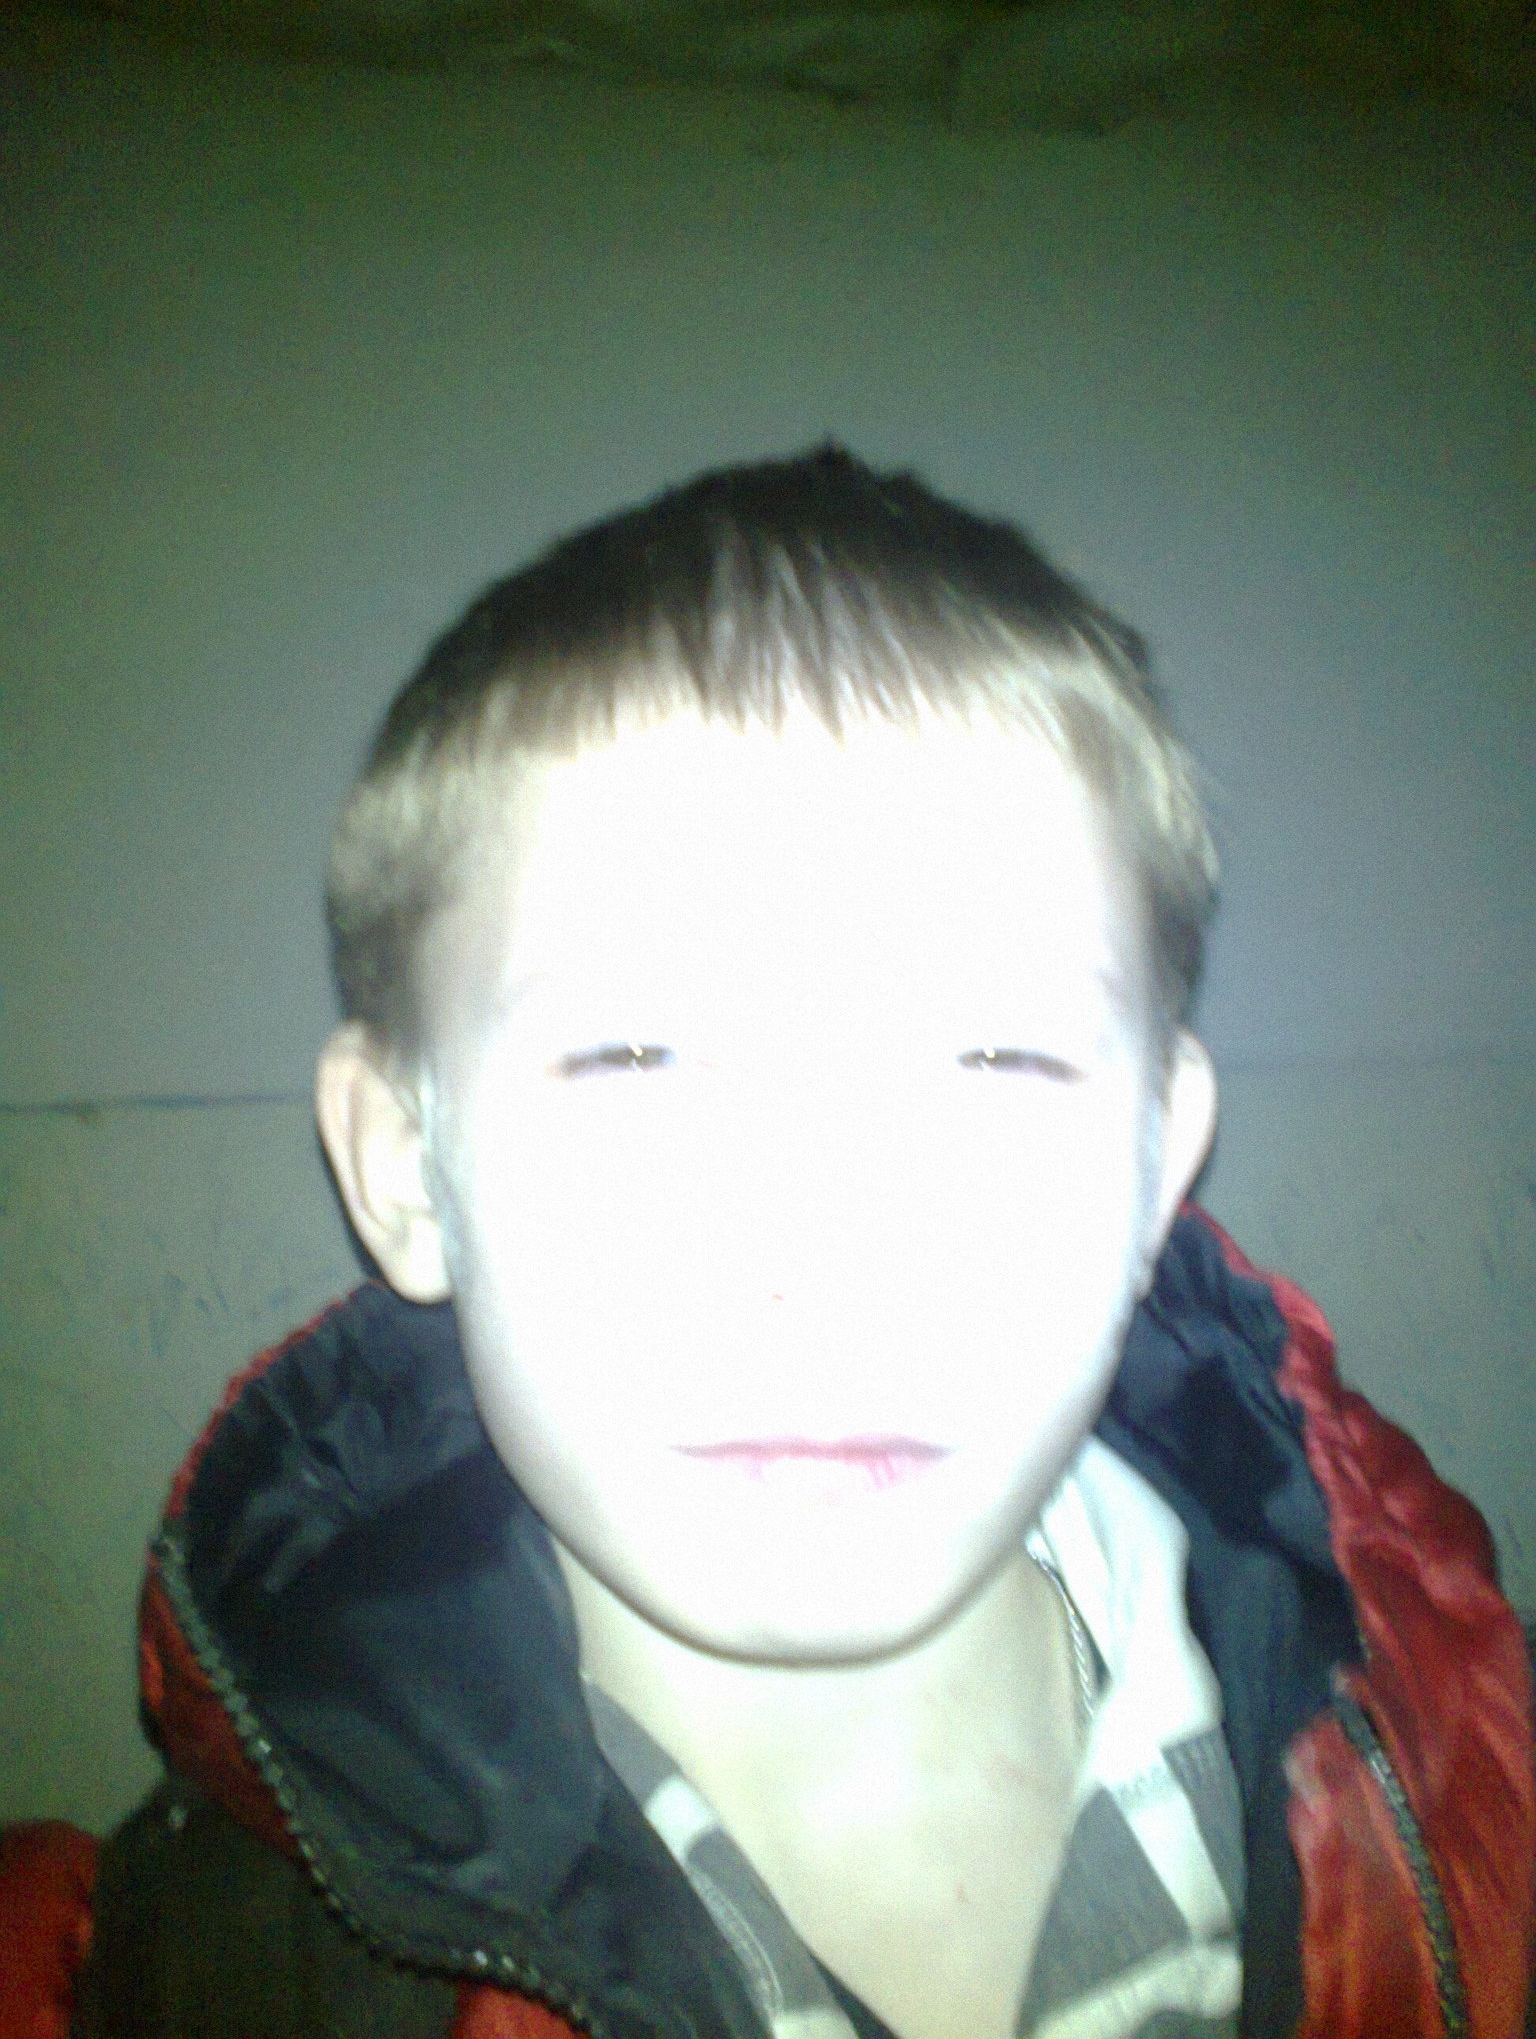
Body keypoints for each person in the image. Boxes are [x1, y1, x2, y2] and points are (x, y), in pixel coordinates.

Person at [6, 447, 1531, 2038]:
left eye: (1001, 1056)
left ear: (1159, 1164)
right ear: (404, 1169)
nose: (827, 1254)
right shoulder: (164, 1983)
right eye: (633, 1056)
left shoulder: (1487, 1796)